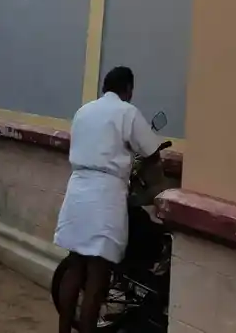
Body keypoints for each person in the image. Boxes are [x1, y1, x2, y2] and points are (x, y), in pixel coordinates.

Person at [54, 66, 164, 333]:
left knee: (75, 266)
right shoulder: (127, 112)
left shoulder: (84, 111)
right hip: (105, 195)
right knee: (97, 276)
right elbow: (151, 153)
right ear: (128, 89)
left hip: (77, 189)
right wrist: (156, 187)